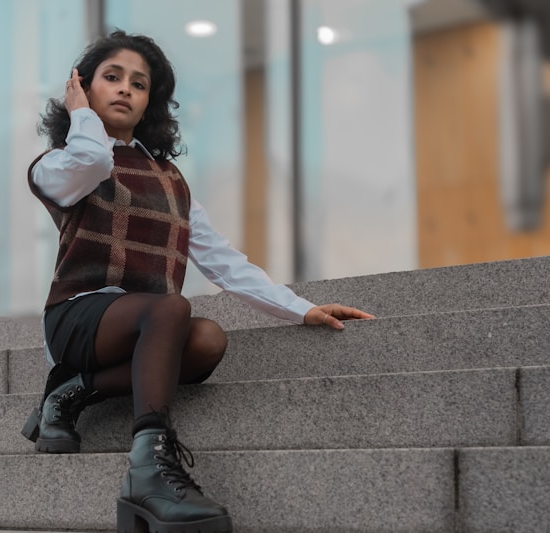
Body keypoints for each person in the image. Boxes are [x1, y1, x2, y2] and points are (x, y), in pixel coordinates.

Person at [21, 29, 374, 533]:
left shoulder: (171, 181)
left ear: (150, 104)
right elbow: (95, 161)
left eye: (138, 85)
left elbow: (224, 262)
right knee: (170, 308)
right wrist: (80, 115)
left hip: (145, 326)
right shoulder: (56, 165)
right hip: (78, 320)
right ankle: (149, 468)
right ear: (83, 87)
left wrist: (301, 308)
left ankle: (73, 393)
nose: (124, 90)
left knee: (208, 340)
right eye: (111, 78)